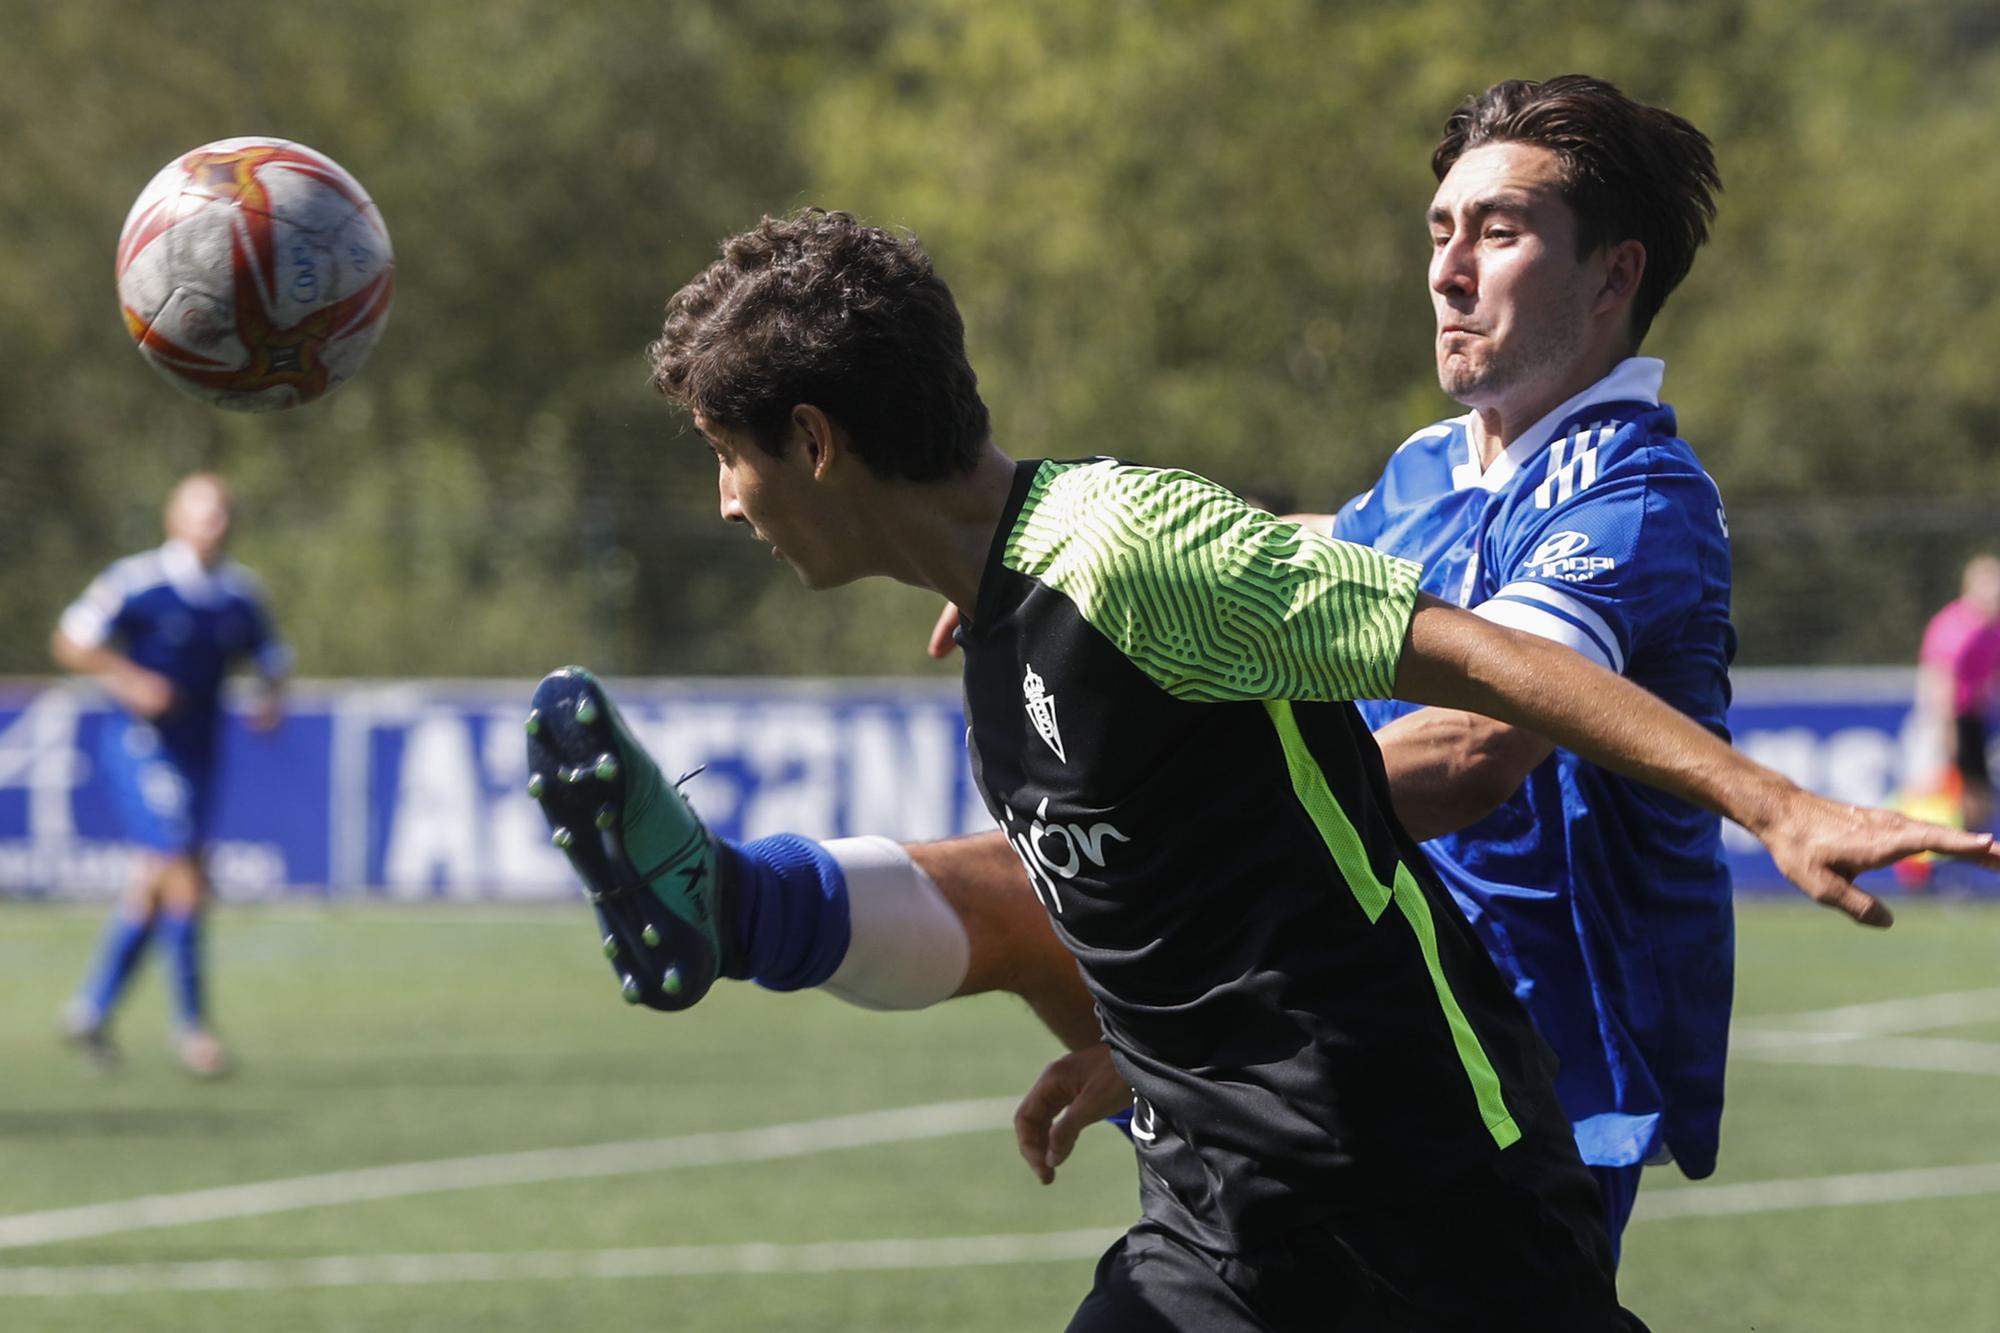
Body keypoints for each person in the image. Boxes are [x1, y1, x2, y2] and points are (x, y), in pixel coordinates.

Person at [529, 208, 1993, 1331]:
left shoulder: (1128, 551)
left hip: (1426, 1192)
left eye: (729, 455)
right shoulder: (997, 620)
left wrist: (1778, 803)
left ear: (816, 439)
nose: (726, 503)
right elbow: (1167, 901)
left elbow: (1474, 659)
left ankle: (736, 904)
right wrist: (1135, 1050)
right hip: (1220, 1224)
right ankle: (739, 906)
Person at [55, 473, 288, 1076]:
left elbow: (271, 658)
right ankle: (194, 1032)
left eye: (224, 512)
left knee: (157, 885)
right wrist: (129, 681)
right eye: (204, 512)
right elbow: (71, 640)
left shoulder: (239, 593)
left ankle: (92, 1010)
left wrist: (270, 696)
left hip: (201, 753)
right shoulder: (137, 583)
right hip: (140, 747)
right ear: (174, 519)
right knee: (183, 875)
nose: (216, 522)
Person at [1914, 554, 2000, 836]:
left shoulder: (1993, 629)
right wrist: (1949, 733)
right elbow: (1940, 684)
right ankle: (1920, 869)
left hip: (1973, 716)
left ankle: (1959, 867)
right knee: (1934, 790)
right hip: (1943, 717)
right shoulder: (1955, 627)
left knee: (1978, 799)